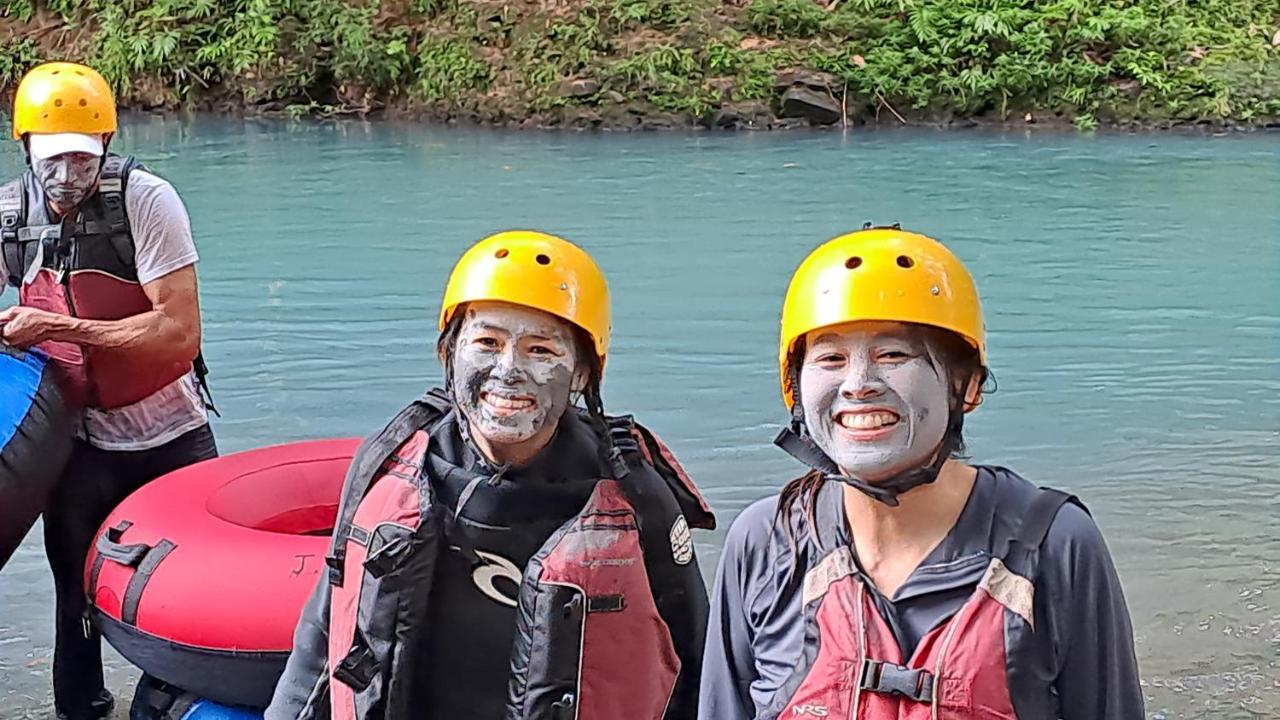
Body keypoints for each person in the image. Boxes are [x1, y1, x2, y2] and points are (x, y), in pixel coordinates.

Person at [266, 230, 715, 720]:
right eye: (486, 342)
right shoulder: (390, 467)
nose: (508, 370)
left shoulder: (635, 499)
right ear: (449, 353)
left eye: (541, 351)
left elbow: (696, 658)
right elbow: (326, 633)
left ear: (584, 374)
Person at [699, 226, 1144, 719]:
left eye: (893, 354)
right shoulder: (766, 543)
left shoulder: (1054, 546)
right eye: (830, 358)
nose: (858, 385)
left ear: (967, 385)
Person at [0, 61, 217, 720]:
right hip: (75, 445)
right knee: (76, 598)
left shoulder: (146, 201)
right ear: (24, 150)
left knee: (196, 589)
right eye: (52, 162)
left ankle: (182, 699)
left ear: (106, 145)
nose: (67, 178)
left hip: (170, 436)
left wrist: (57, 325)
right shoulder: (9, 215)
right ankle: (82, 707)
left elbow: (178, 334)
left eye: (80, 160)